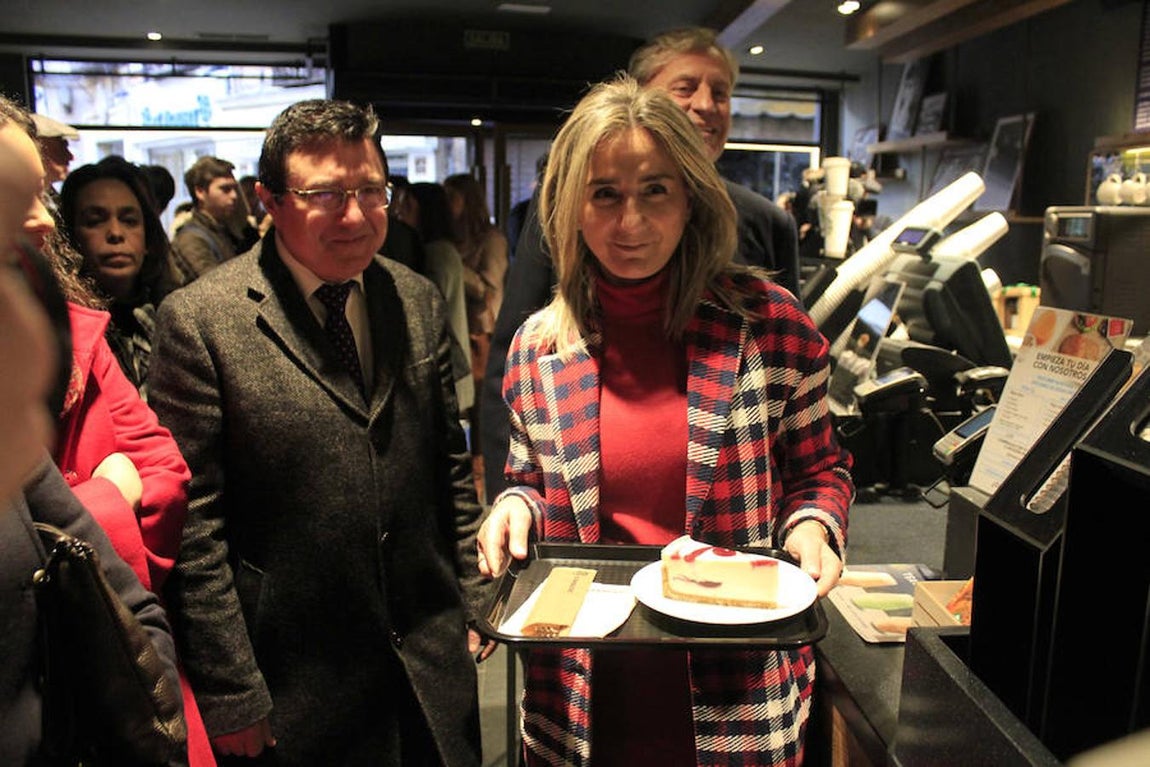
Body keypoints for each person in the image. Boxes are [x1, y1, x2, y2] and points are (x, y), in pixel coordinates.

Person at [476, 75, 853, 766]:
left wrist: (812, 524)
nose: (630, 223)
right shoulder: (538, 346)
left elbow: (818, 469)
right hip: (583, 685)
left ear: (690, 199)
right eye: (605, 194)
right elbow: (530, 477)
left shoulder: (769, 324)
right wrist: (514, 508)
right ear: (571, 206)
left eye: (655, 190)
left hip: (735, 684)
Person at [147, 98, 492, 767]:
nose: (357, 216)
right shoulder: (200, 321)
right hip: (294, 678)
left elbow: (449, 462)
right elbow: (196, 526)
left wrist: (475, 596)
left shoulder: (414, 296)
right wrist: (232, 691)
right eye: (326, 195)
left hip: (428, 660)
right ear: (268, 200)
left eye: (371, 190)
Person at [479, 26, 803, 501]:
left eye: (721, 92)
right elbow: (514, 361)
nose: (705, 105)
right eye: (685, 88)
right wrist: (507, 498)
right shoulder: (543, 329)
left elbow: (794, 414)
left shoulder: (766, 227)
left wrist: (806, 517)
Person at [59, 155, 179, 395]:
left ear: (148, 236)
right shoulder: (60, 334)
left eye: (129, 220)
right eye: (95, 221)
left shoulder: (171, 319)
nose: (115, 233)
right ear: (70, 238)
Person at [444, 171, 508, 461]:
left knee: (480, 408)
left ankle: (484, 478)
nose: (447, 203)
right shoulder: (451, 237)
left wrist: (453, 264)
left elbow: (490, 288)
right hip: (457, 328)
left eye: (452, 197)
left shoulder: (491, 238)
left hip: (479, 332)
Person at [404, 181, 475, 417]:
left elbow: (431, 308)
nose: (401, 212)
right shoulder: (445, 249)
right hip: (456, 372)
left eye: (409, 205)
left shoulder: (437, 253)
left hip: (450, 371)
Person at [170, 155, 258, 286]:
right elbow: (216, 289)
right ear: (200, 192)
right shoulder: (191, 238)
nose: (234, 196)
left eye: (234, 188)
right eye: (225, 189)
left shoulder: (225, 229)